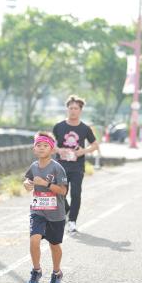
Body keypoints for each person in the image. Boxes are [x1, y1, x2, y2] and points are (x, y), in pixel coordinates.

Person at [24, 131, 68, 283]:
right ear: (34, 149)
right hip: (38, 210)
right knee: (34, 240)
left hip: (56, 213)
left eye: (45, 146)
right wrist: (27, 184)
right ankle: (36, 270)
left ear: (51, 149)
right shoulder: (34, 166)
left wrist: (46, 184)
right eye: (38, 145)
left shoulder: (57, 168)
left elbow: (63, 191)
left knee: (54, 244)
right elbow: (28, 179)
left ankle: (56, 272)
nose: (42, 148)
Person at [52, 95, 98, 233]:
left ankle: (72, 221)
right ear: (67, 109)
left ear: (80, 110)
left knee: (76, 194)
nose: (73, 111)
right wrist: (59, 150)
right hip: (61, 166)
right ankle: (67, 212)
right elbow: (50, 144)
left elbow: (95, 145)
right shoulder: (59, 127)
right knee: (60, 194)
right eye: (71, 108)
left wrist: (82, 151)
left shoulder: (85, 128)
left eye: (76, 108)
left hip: (77, 167)